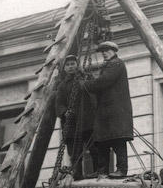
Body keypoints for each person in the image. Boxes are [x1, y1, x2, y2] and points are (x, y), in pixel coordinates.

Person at [84, 40, 133, 178]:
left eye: (106, 51)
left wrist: (86, 84)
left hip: (116, 111)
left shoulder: (117, 64)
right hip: (107, 112)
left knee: (118, 140)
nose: (104, 53)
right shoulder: (108, 66)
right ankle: (102, 170)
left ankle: (121, 169)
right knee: (102, 141)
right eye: (102, 52)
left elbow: (104, 81)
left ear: (114, 51)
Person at [55, 54, 97, 180]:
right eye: (67, 65)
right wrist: (64, 112)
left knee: (94, 148)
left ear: (77, 65)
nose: (70, 67)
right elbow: (59, 104)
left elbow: (94, 92)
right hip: (72, 124)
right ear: (64, 68)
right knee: (74, 152)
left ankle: (98, 172)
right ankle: (77, 175)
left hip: (87, 121)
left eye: (73, 64)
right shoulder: (62, 86)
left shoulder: (86, 78)